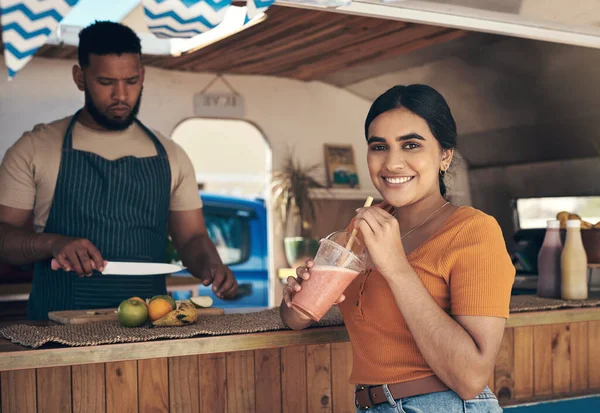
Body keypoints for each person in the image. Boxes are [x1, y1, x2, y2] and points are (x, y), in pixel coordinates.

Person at [281, 85, 515, 412]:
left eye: (411, 145)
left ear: (445, 155)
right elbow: (296, 320)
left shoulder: (474, 231)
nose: (392, 162)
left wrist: (396, 267)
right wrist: (296, 298)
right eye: (379, 146)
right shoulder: (364, 228)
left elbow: (471, 378)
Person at [0, 21, 237, 320]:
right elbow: (3, 239)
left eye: (132, 80)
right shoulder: (35, 148)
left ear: (143, 76)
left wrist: (210, 265)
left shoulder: (171, 156)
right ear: (80, 77)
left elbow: (191, 238)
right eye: (106, 82)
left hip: (148, 332)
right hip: (58, 334)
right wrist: (53, 243)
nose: (121, 95)